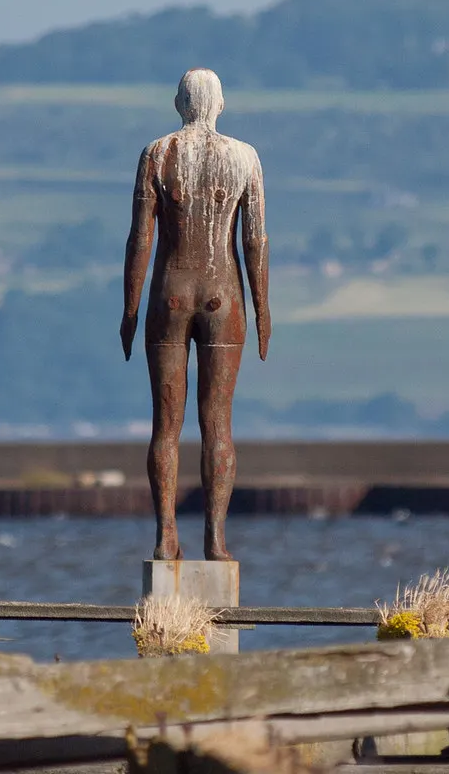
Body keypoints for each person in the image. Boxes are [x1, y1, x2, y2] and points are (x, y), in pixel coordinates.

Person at [121, 68, 270, 561]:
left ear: (179, 103)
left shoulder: (157, 154)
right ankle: (216, 540)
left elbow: (141, 238)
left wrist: (130, 306)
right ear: (220, 104)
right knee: (218, 424)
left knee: (166, 425)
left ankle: (166, 536)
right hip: (222, 297)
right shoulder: (244, 157)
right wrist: (263, 308)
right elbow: (255, 241)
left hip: (170, 293)